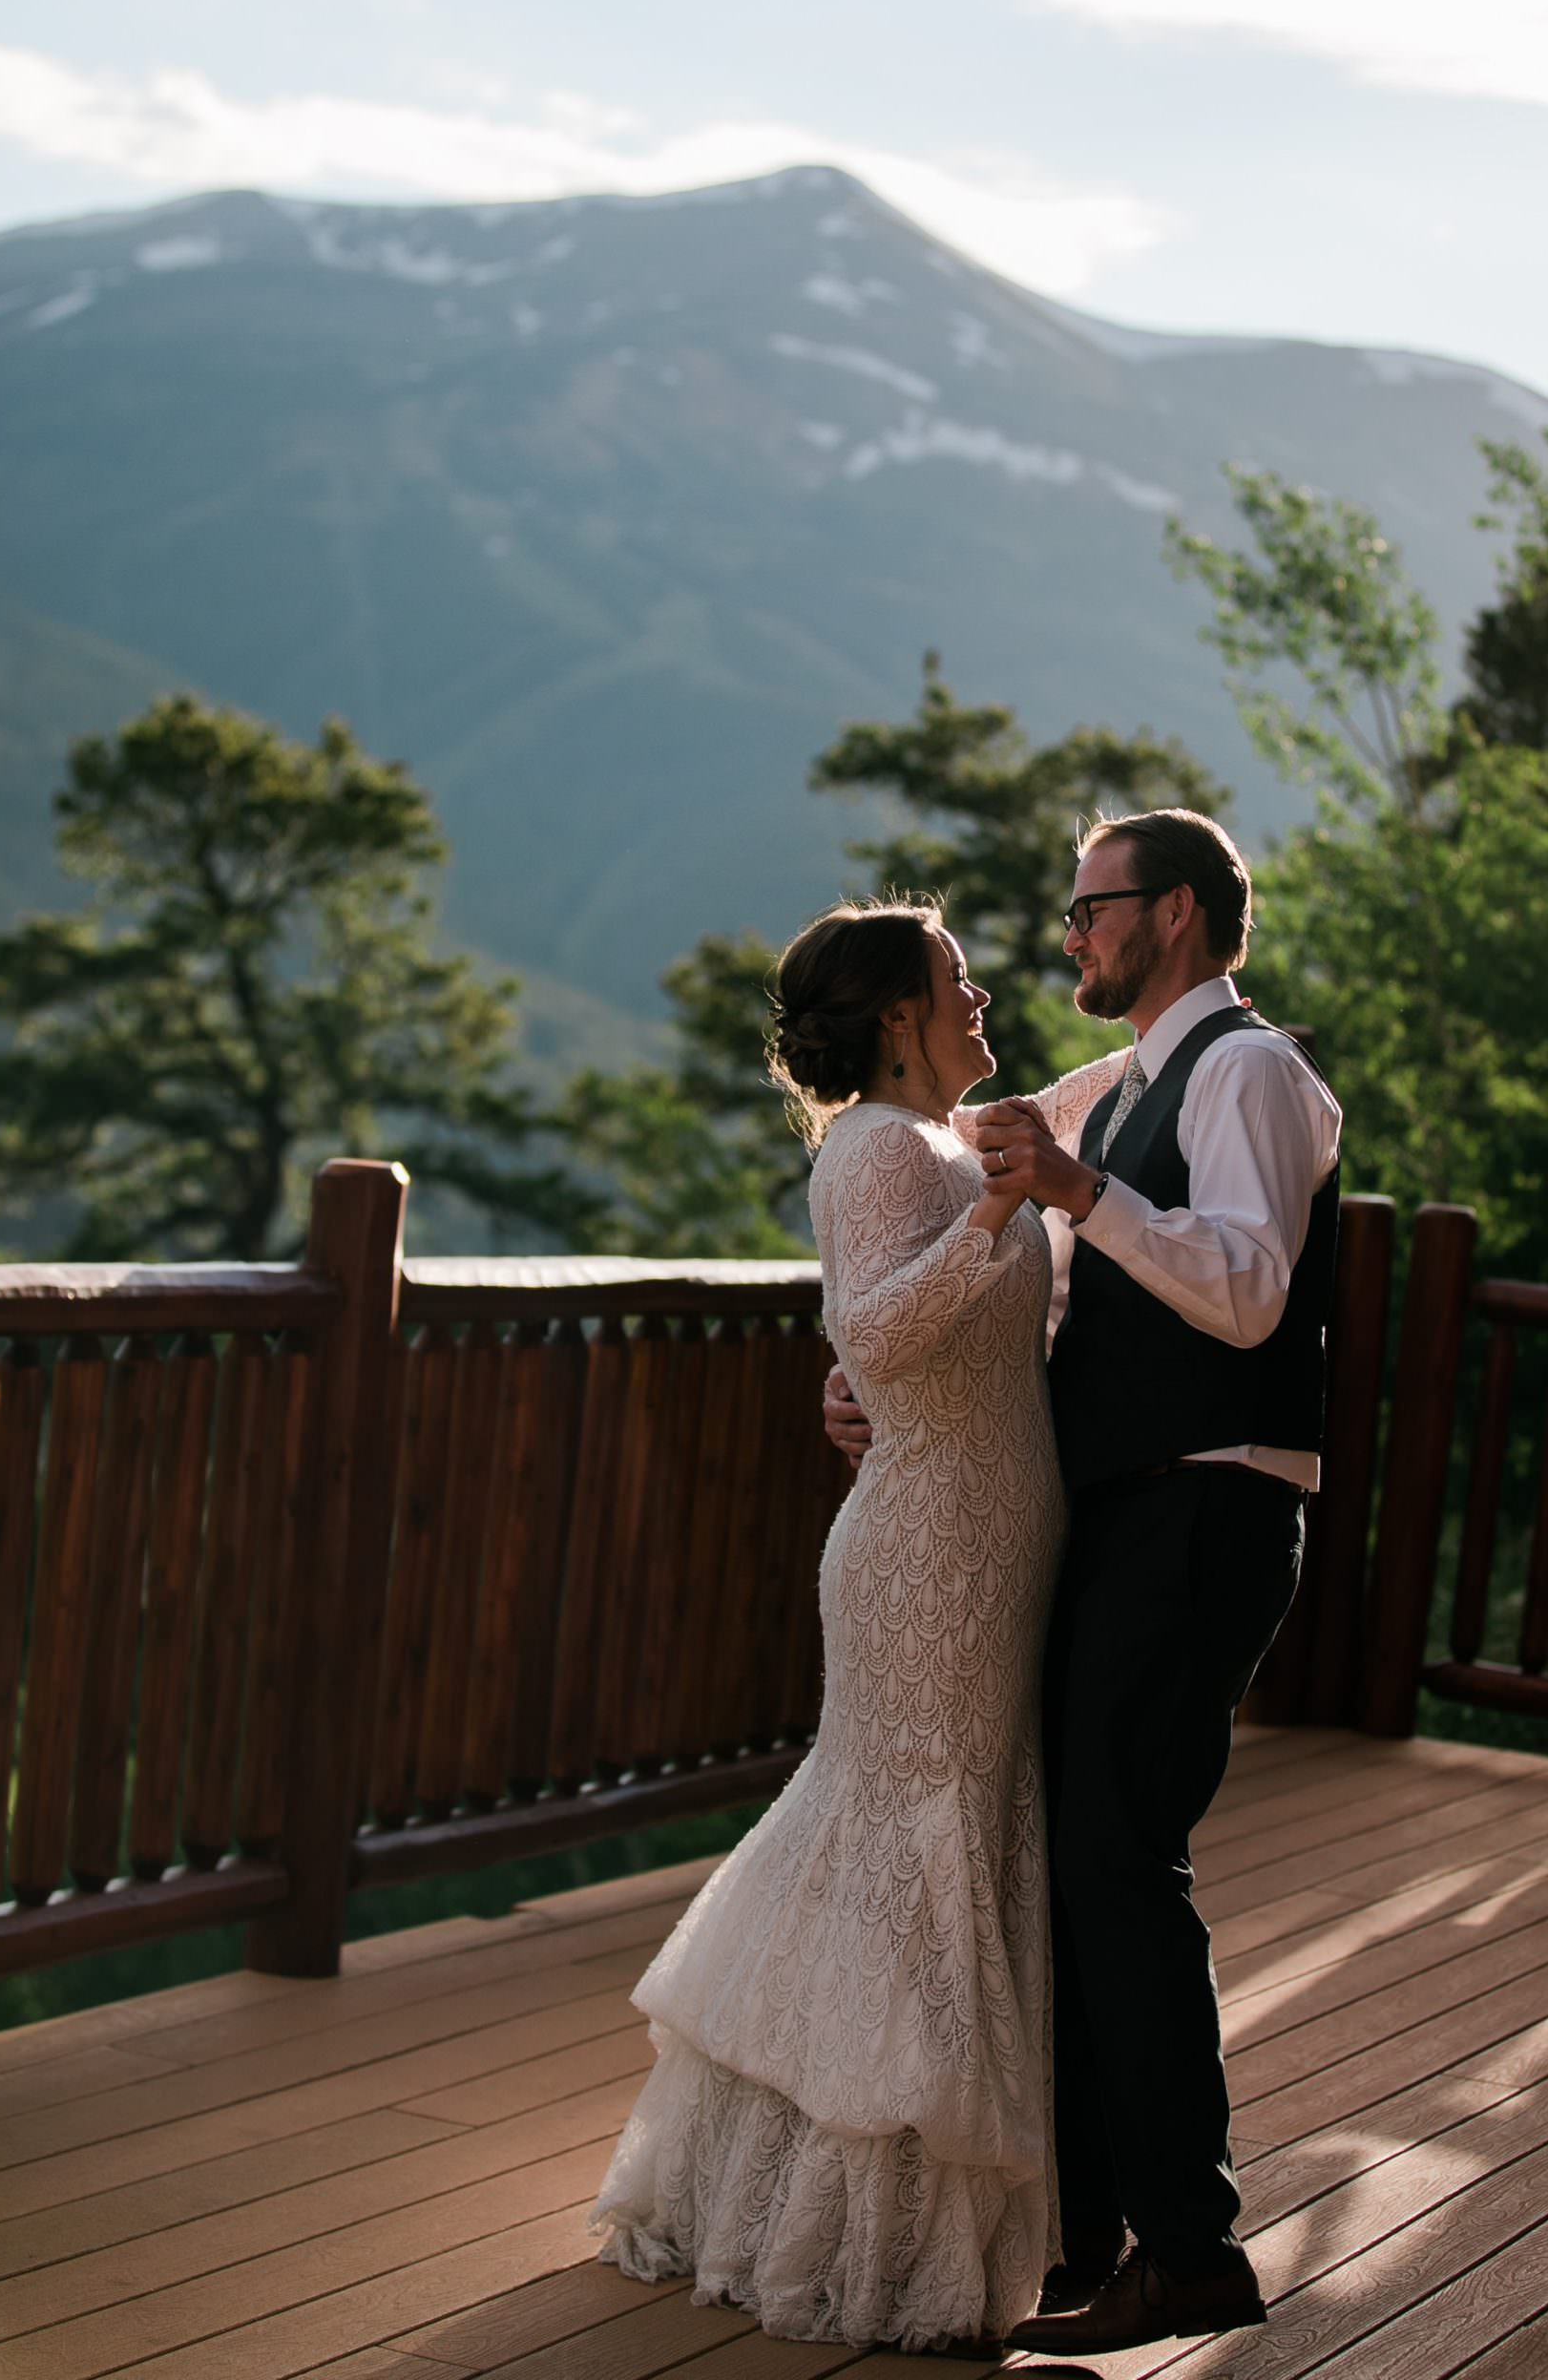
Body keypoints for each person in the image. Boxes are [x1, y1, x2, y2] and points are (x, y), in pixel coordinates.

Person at [825, 810, 1342, 2355]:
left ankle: (1190, 2251)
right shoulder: (1127, 1085)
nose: (1069, 939)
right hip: (1123, 1515)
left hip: (1207, 1511)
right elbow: (908, 1187)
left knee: (1120, 1867)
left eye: (1092, 911)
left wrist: (1072, 1193)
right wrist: (855, 1378)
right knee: (1087, 1864)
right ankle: (1090, 2234)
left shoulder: (1247, 1072)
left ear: (1176, 913)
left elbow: (1245, 1296)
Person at [589, 895, 1123, 2354]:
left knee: (938, 1844)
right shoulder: (879, 1150)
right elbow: (874, 1332)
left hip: (994, 1542)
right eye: (958, 980)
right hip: (926, 1555)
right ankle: (850, 2234)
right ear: (898, 1014)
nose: (984, 996)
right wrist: (1005, 1217)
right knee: (907, 1853)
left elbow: (964, 1322)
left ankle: (854, 2201)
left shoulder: (949, 1144)